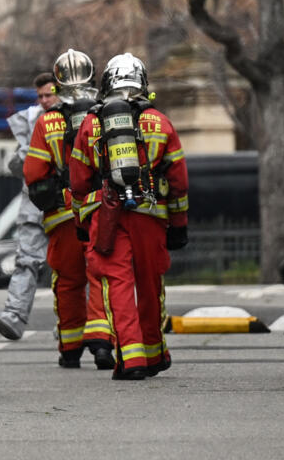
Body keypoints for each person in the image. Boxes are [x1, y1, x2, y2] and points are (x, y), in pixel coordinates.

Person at [69, 53, 189, 380]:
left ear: (107, 83)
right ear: (142, 82)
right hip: (150, 216)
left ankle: (131, 359)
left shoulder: (92, 124)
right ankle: (154, 353)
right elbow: (178, 181)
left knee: (118, 286)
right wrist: (178, 226)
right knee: (149, 285)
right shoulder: (161, 123)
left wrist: (83, 224)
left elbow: (78, 181)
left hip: (106, 216)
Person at [23, 49, 115, 370]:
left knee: (67, 280)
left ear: (57, 82)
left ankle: (71, 347)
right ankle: (102, 343)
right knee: (101, 275)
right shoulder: (105, 114)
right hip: (101, 209)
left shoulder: (47, 122)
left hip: (63, 215)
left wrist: (54, 200)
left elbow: (34, 175)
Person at [0, 73, 58, 340]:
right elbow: (19, 166)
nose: (44, 100)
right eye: (40, 96)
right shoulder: (31, 120)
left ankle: (74, 325)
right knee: (26, 260)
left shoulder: (71, 116)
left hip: (65, 203)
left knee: (72, 266)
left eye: (49, 94)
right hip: (35, 202)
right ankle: (14, 315)